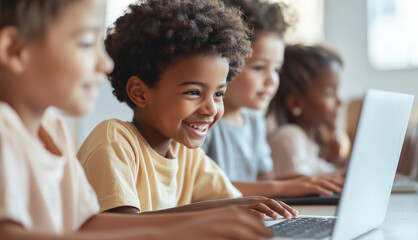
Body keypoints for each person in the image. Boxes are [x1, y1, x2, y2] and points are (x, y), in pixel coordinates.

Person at [0, 0, 276, 239]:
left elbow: (86, 225)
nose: (105, 63)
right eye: (85, 43)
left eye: (219, 93)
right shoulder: (4, 132)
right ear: (13, 49)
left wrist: (218, 213)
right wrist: (173, 232)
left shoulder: (52, 128)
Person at [77, 0, 297, 219]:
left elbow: (234, 202)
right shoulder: (115, 142)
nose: (211, 109)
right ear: (140, 93)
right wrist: (218, 209)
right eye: (193, 92)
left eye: (218, 94)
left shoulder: (187, 154)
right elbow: (123, 227)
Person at [201, 0, 344, 198]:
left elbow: (265, 182)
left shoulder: (254, 120)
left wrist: (324, 180)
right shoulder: (203, 121)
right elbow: (202, 188)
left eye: (276, 69)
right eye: (259, 67)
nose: (272, 80)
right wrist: (284, 187)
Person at [266, 44, 350, 179]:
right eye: (330, 93)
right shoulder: (289, 137)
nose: (340, 101)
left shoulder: (309, 142)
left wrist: (335, 162)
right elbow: (301, 187)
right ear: (295, 103)